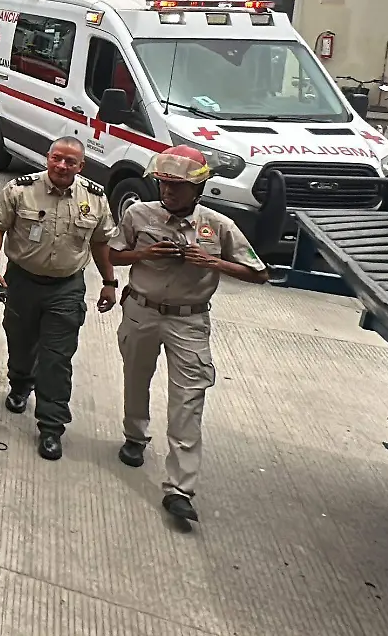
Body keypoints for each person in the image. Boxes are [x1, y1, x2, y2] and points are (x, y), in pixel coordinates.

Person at [102, 145, 267, 524]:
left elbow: (259, 273)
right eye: (163, 183)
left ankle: (180, 489)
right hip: (142, 311)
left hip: (189, 322)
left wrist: (213, 262)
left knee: (188, 400)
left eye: (177, 186)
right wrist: (145, 255)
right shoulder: (138, 214)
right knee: (136, 378)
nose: (168, 191)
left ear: (199, 188)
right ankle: (135, 435)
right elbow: (112, 254)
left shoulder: (218, 225)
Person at [0, 137, 116, 460]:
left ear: (80, 166)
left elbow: (100, 243)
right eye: (57, 158)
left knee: (57, 357)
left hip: (66, 288)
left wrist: (110, 281)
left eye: (70, 162)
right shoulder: (20, 189)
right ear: (48, 157)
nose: (62, 166)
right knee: (20, 340)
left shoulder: (95, 199)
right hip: (22, 282)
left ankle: (52, 426)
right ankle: (20, 383)